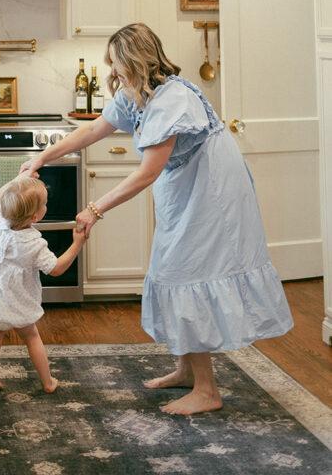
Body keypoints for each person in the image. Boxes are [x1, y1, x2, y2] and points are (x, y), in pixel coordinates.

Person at [21, 22, 293, 415]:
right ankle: (187, 370)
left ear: (135, 61)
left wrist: (96, 209)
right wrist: (44, 156)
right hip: (187, 188)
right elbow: (97, 128)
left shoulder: (172, 99)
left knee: (186, 273)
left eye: (115, 63)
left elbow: (147, 172)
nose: (111, 72)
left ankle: (207, 391)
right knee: (173, 269)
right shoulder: (137, 94)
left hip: (212, 195)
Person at [0, 175, 86, 393]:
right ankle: (48, 381)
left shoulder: (0, 220)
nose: (46, 205)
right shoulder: (34, 244)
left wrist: (20, 177)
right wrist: (77, 243)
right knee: (32, 336)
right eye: (44, 204)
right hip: (17, 302)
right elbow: (56, 268)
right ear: (36, 216)